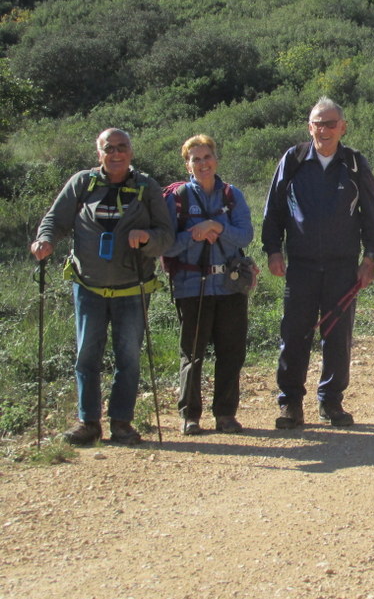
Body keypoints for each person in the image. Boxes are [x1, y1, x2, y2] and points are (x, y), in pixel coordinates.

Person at [30, 128, 174, 446]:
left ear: (131, 152)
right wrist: (45, 240)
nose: (116, 153)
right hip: (88, 287)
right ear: (99, 153)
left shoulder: (147, 187)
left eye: (122, 147)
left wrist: (148, 238)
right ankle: (88, 423)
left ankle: (121, 423)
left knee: (128, 358)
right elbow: (55, 219)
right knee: (86, 356)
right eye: (109, 148)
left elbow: (166, 236)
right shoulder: (83, 183)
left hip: (132, 289)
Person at [262, 97, 374, 429]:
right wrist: (273, 250)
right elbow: (274, 209)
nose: (324, 130)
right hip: (300, 265)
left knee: (338, 337)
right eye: (318, 123)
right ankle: (290, 405)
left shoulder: (355, 163)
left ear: (343, 127)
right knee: (294, 334)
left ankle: (331, 403)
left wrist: (369, 257)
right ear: (309, 126)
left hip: (344, 267)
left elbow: (371, 213)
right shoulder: (294, 160)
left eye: (331, 124)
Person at [164, 135, 254, 435]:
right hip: (192, 285)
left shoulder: (232, 196)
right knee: (193, 353)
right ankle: (190, 415)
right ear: (187, 164)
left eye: (207, 157)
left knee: (232, 351)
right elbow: (167, 245)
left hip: (229, 286)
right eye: (196, 159)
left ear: (216, 158)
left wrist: (216, 227)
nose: (203, 164)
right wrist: (194, 233)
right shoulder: (176, 199)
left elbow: (245, 237)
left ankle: (225, 414)